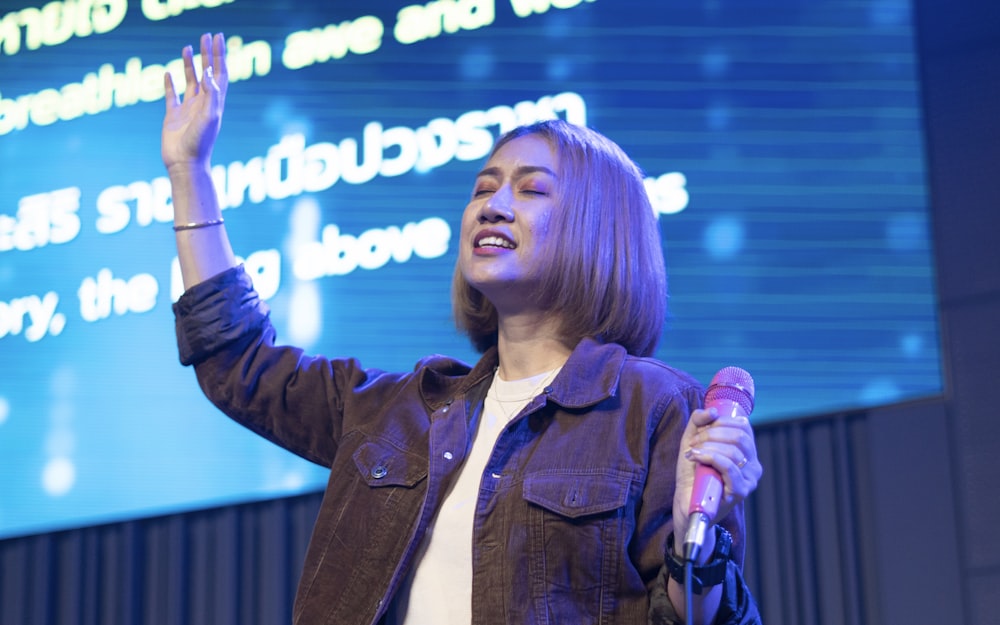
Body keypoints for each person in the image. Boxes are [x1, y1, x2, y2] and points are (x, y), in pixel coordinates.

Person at [163, 33, 764, 625]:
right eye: (483, 188)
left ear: (600, 229)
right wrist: (189, 171)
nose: (492, 204)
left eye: (530, 189)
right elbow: (236, 362)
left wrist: (694, 539)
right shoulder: (395, 412)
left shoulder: (654, 407)